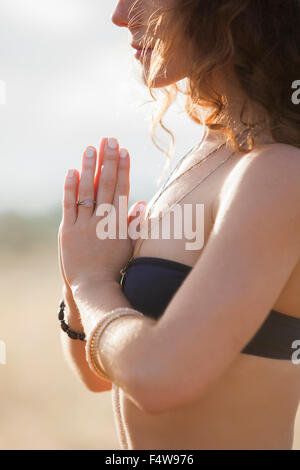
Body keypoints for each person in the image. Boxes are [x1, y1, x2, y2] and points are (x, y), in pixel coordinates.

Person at [58, 0, 300, 450]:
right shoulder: (209, 151)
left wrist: (90, 281)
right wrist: (81, 286)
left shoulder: (280, 174)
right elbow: (103, 374)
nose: (120, 14)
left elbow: (157, 377)